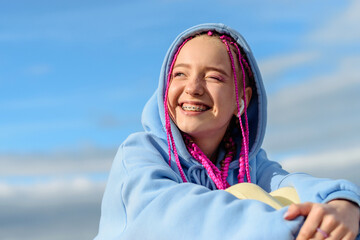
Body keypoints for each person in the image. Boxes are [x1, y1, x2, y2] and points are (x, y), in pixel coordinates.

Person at [94, 23, 360, 240]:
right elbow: (172, 219)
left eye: (213, 77)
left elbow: (296, 185)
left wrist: (344, 206)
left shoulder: (249, 164)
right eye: (179, 74)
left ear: (241, 101)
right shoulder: (141, 153)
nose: (193, 88)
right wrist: (306, 228)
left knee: (258, 190)